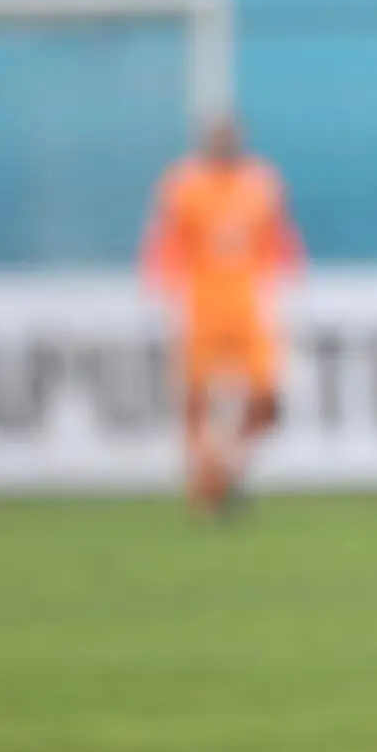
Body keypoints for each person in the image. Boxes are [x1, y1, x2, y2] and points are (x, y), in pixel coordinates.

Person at [140, 116, 303, 518]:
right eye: (217, 137)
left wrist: (290, 280)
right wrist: (161, 288)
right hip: (201, 306)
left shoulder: (262, 182)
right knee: (194, 398)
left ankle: (224, 466)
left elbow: (279, 237)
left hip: (249, 306)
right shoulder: (184, 185)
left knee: (268, 402)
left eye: (230, 137)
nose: (225, 144)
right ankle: (204, 479)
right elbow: (167, 241)